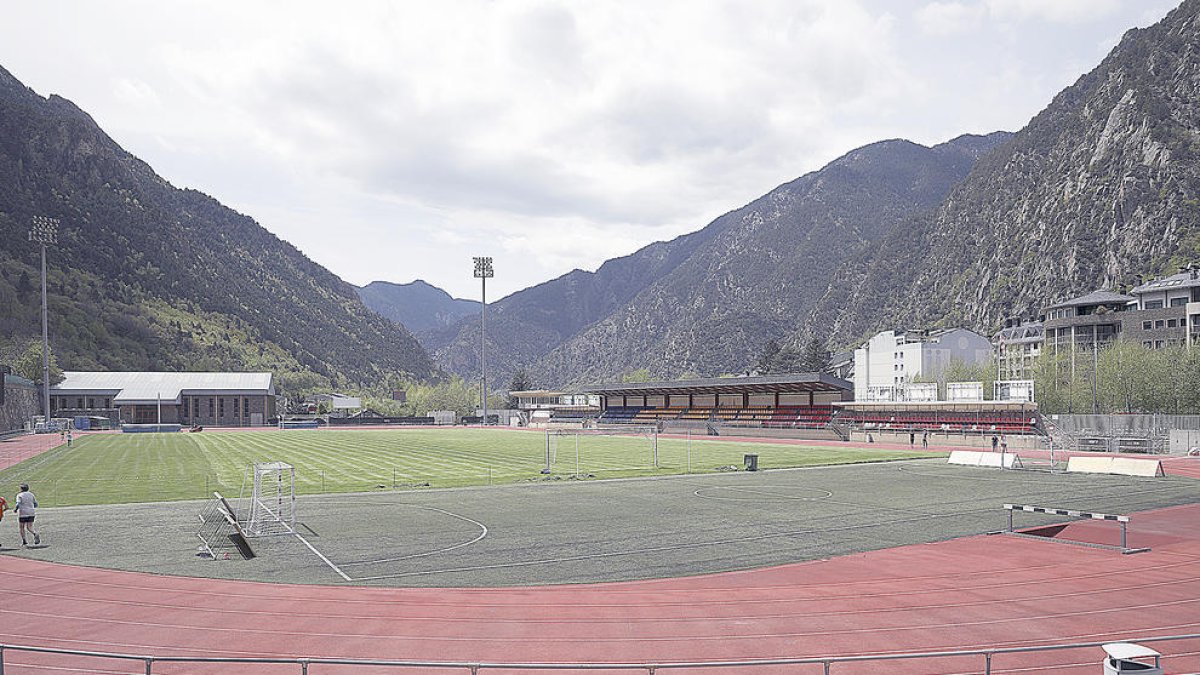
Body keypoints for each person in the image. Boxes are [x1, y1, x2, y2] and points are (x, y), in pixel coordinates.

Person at [14, 483, 40, 547]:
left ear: (21, 489)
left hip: (23, 513)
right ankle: (35, 533)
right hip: (31, 512)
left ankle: (24, 541)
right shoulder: (31, 494)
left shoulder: (19, 495)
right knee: (29, 527)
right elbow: (36, 504)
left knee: (21, 527)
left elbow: (18, 503)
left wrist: (15, 509)